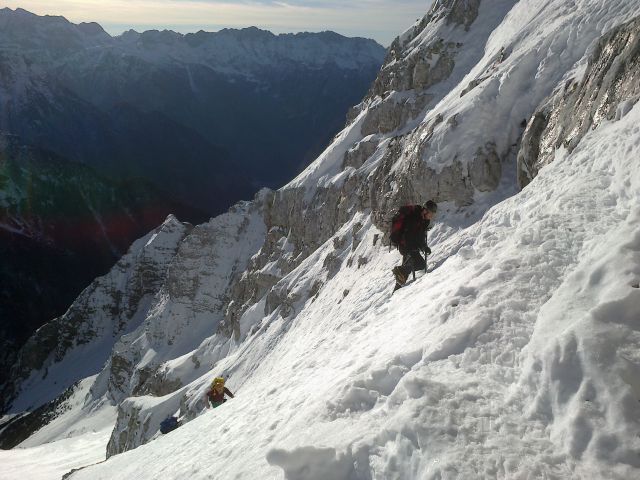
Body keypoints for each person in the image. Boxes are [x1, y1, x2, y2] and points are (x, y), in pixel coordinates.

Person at [390, 200, 437, 291]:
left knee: (409, 269)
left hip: (412, 246)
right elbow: (409, 234)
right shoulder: (414, 217)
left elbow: (420, 236)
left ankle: (397, 290)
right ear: (425, 210)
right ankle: (398, 272)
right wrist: (412, 248)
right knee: (419, 265)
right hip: (406, 245)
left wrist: (424, 247)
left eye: (432, 214)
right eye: (431, 213)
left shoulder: (424, 220)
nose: (431, 216)